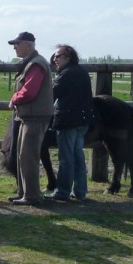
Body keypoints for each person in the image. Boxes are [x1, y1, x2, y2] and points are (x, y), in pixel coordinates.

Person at [7, 31, 53, 206]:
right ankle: (24, 193)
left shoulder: (35, 64)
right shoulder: (32, 63)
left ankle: (32, 196)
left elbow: (30, 90)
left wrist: (14, 98)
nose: (15, 48)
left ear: (28, 45)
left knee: (28, 156)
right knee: (22, 155)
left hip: (35, 116)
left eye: (17, 44)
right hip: (29, 116)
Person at [47, 44, 94, 202]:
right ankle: (80, 191)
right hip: (82, 120)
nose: (55, 59)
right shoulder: (82, 72)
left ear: (68, 57)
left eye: (58, 56)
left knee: (66, 158)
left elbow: (53, 94)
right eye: (55, 57)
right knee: (78, 156)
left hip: (67, 121)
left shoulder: (66, 74)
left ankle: (62, 191)